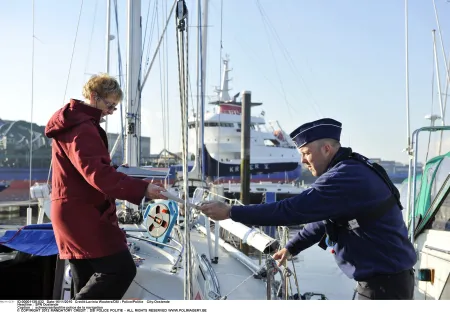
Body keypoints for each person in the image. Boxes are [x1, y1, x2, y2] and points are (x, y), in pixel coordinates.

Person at [199, 118, 417, 300]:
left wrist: (231, 212)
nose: (302, 160)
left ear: (326, 149)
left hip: (384, 288)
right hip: (385, 281)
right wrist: (292, 247)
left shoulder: (343, 177)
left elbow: (291, 210)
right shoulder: (351, 169)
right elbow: (325, 219)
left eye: (306, 153)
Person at [45, 73, 167, 300]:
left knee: (86, 276)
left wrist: (118, 172)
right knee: (121, 269)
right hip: (84, 215)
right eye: (109, 105)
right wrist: (142, 189)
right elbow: (97, 174)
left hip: (72, 212)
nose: (110, 112)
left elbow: (87, 169)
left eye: (114, 108)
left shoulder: (74, 124)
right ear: (93, 97)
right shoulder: (82, 128)